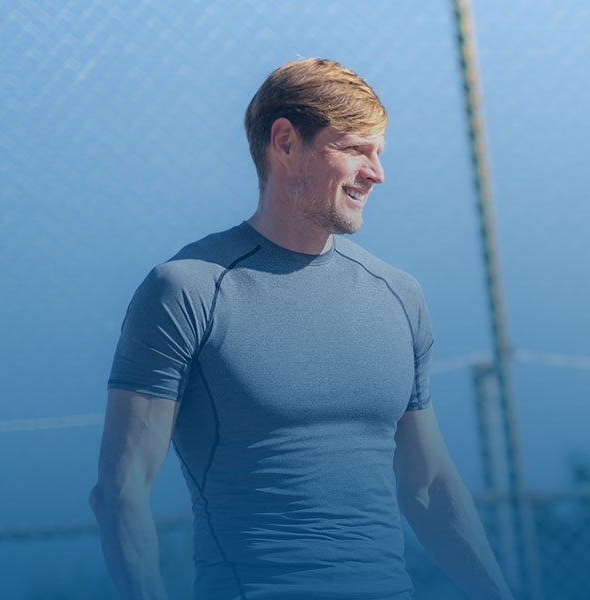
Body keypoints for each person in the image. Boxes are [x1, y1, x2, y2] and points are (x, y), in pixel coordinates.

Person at [90, 58, 512, 600]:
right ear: (285, 143)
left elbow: (429, 487)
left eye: (379, 152)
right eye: (355, 148)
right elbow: (120, 490)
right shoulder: (187, 289)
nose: (376, 173)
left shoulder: (399, 295)